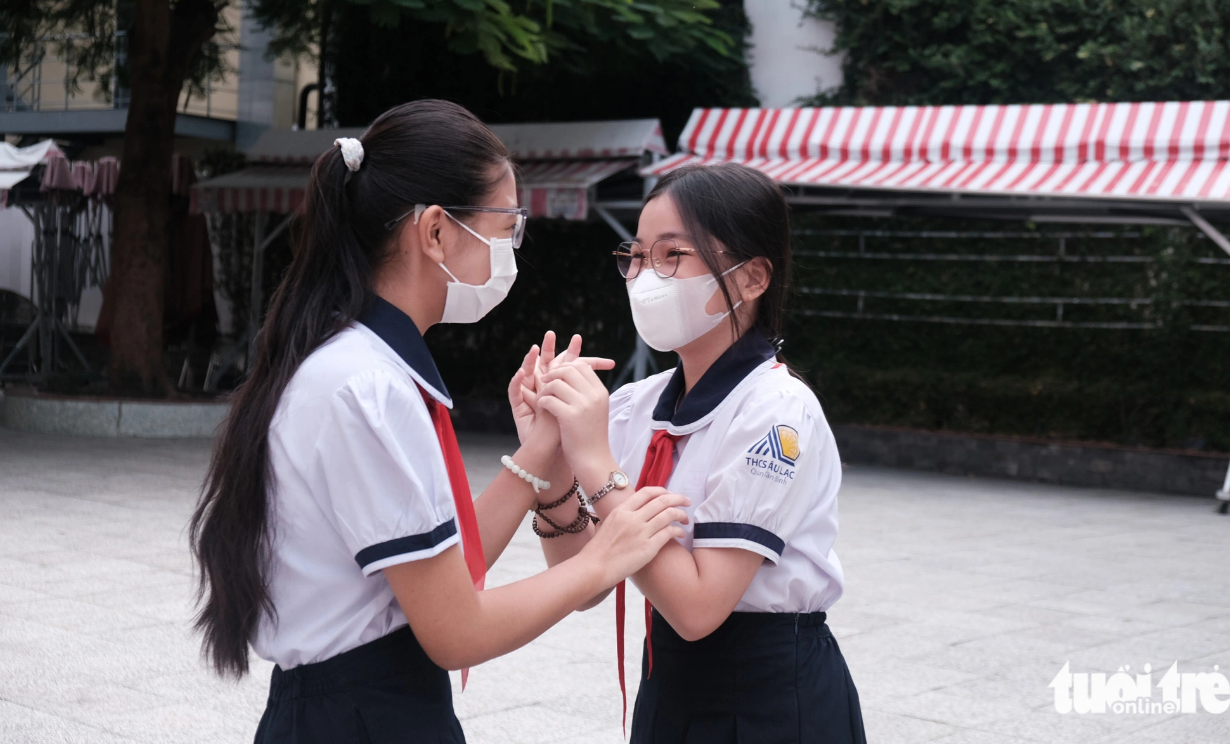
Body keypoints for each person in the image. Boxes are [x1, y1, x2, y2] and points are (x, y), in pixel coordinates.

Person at [189, 99, 690, 744]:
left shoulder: (358, 363)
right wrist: (603, 559)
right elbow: (457, 629)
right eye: (506, 225)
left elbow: (442, 567)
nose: (513, 248)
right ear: (434, 232)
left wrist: (540, 450)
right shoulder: (366, 386)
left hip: (359, 705)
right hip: (363, 716)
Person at [512, 162, 867, 743]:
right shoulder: (633, 405)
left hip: (770, 696)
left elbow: (700, 608)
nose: (646, 276)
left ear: (752, 278)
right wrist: (551, 464)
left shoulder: (776, 411)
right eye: (638, 255)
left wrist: (597, 463)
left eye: (673, 255)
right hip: (669, 682)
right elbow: (588, 583)